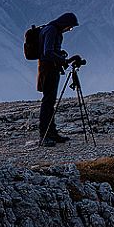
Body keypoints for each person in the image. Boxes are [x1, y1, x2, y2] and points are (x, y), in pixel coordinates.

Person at [37, 12, 79, 146]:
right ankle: (44, 136)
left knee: (50, 102)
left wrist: (61, 58)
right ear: (64, 24)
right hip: (48, 70)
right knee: (48, 102)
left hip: (51, 69)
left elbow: (50, 51)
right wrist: (63, 60)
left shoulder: (52, 30)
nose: (69, 30)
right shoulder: (51, 31)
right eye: (69, 27)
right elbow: (48, 52)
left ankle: (52, 133)